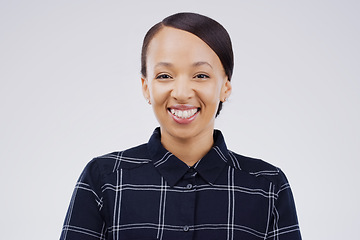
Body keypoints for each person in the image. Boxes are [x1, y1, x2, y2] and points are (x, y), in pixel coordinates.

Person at [60, 12, 301, 240]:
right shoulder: (104, 179)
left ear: (225, 87)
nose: (183, 93)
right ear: (146, 87)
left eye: (201, 75)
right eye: (165, 76)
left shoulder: (268, 186)